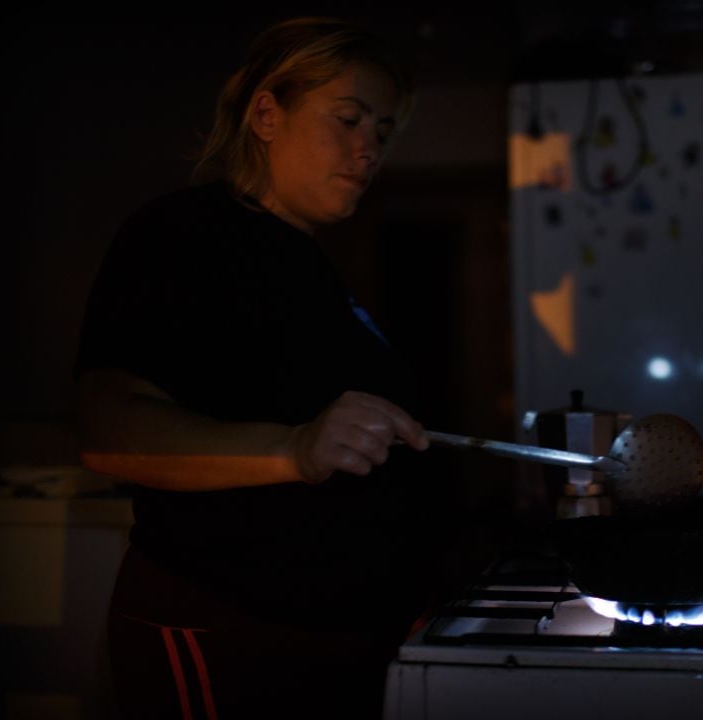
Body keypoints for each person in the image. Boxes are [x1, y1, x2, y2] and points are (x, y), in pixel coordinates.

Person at [74, 16, 437, 718]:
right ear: (268, 114)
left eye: (382, 132)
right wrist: (293, 448)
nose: (369, 150)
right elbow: (108, 428)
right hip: (228, 627)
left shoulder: (314, 269)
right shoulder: (185, 233)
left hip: (337, 638)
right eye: (349, 119)